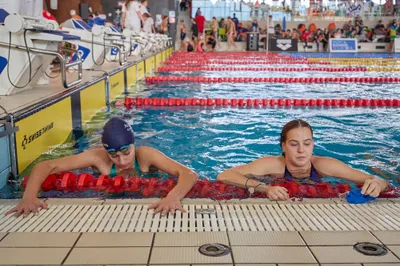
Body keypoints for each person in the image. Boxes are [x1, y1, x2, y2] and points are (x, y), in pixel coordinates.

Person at [5, 117, 199, 217]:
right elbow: (46, 165)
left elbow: (188, 174)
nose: (122, 161)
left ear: (134, 144)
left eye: (126, 152)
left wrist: (172, 196)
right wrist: (29, 196)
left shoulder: (145, 155)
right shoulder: (97, 158)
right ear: (106, 152)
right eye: (113, 155)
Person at [217, 119, 389, 201]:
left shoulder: (324, 165)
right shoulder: (273, 165)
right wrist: (265, 188)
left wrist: (377, 184)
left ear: (312, 144)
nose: (301, 150)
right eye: (294, 144)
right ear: (283, 146)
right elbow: (225, 175)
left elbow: (378, 181)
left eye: (306, 144)